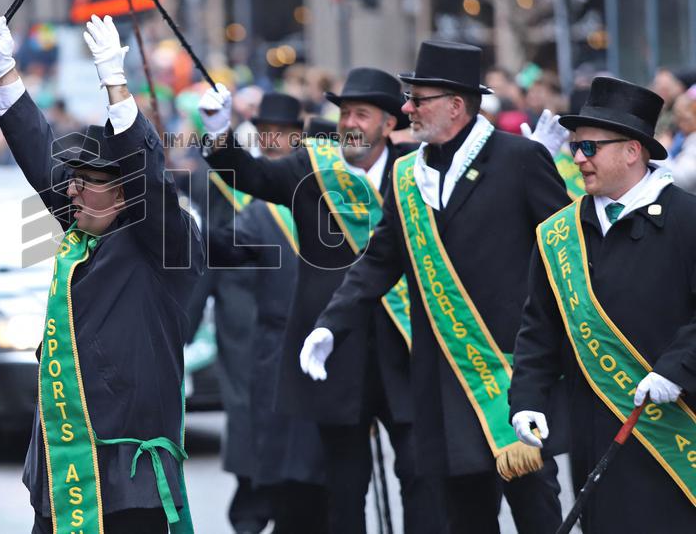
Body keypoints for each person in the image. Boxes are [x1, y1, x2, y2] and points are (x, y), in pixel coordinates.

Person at [302, 41, 570, 533]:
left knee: (536, 511)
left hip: (509, 375)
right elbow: (379, 262)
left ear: (455, 105)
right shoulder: (408, 174)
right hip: (440, 381)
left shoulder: (519, 159)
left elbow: (565, 256)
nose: (407, 108)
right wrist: (330, 325)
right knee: (463, 516)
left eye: (418, 98)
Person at [0, 14, 205, 534]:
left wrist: (115, 84)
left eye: (89, 181)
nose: (72, 190)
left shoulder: (162, 241)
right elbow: (40, 156)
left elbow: (150, 179)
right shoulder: (84, 225)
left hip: (126, 476)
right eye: (74, 180)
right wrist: (5, 71)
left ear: (125, 191)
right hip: (64, 465)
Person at [199, 68, 441, 533]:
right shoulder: (313, 166)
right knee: (343, 486)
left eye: (362, 114)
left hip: (405, 347)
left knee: (419, 470)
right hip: (333, 349)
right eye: (345, 112)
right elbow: (252, 176)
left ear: (389, 124)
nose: (350, 122)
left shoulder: (418, 167)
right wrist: (218, 132)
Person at [509, 76, 696, 533]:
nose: (577, 159)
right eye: (575, 147)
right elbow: (540, 326)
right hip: (595, 433)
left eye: (589, 148)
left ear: (632, 151)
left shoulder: (687, 220)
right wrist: (527, 400)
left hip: (673, 429)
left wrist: (676, 369)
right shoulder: (559, 232)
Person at [208, 93, 327, 533]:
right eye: (264, 134)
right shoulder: (258, 209)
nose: (271, 140)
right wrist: (174, 219)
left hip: (330, 347)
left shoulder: (330, 197)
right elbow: (222, 247)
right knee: (276, 464)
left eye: (280, 133)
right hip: (274, 350)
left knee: (330, 472)